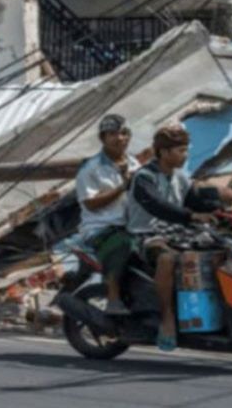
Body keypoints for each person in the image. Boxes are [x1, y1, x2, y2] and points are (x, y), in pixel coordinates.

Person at [125, 123, 222, 351]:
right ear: (164, 152)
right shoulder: (144, 178)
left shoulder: (181, 177)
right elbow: (158, 206)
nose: (185, 155)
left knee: (219, 250)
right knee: (167, 258)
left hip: (177, 232)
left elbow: (195, 201)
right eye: (181, 151)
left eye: (186, 150)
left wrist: (218, 207)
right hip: (144, 234)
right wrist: (192, 216)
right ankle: (166, 319)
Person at [75, 114, 140, 316]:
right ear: (103, 138)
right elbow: (91, 203)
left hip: (131, 225)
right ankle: (113, 299)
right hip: (100, 229)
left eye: (123, 133)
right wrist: (121, 187)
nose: (119, 138)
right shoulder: (91, 168)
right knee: (124, 243)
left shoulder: (134, 164)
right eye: (113, 134)